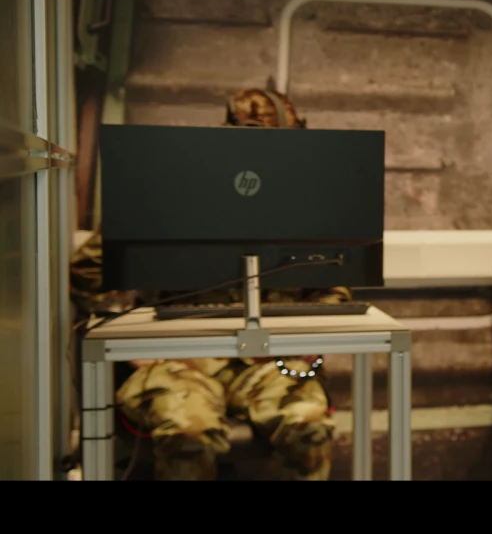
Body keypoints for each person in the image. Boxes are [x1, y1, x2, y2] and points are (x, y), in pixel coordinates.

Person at [69, 88, 348, 481]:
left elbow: (337, 282)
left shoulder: (306, 204)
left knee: (310, 425)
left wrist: (312, 337)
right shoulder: (174, 191)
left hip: (268, 360)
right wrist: (126, 335)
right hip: (178, 356)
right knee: (191, 433)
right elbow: (88, 274)